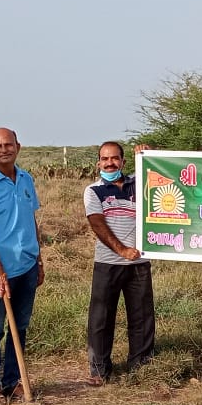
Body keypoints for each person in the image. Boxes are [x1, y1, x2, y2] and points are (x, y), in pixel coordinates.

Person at [0, 127, 45, 401]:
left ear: (18, 146)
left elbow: (31, 221)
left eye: (8, 144)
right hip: (1, 270)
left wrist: (39, 259)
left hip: (27, 265)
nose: (4, 150)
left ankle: (13, 380)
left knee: (20, 326)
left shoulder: (26, 179)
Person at [84, 141, 155, 386]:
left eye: (115, 158)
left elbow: (161, 176)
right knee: (101, 318)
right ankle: (99, 371)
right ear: (98, 163)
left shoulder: (139, 183)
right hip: (108, 263)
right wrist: (122, 250)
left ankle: (141, 367)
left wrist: (146, 157)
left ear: (123, 161)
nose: (110, 163)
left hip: (139, 262)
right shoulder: (93, 191)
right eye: (105, 159)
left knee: (142, 316)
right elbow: (97, 224)